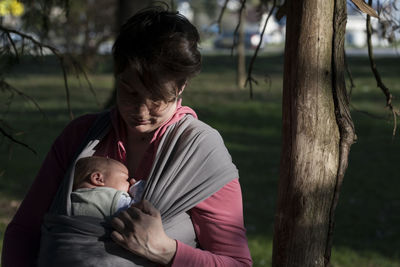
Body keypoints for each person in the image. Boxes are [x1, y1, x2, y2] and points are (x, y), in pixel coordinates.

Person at [2, 5, 253, 267]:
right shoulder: (81, 137)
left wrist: (166, 250)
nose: (141, 111)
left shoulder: (201, 152)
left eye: (157, 98)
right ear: (117, 75)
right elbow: (24, 233)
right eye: (130, 92)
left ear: (181, 86)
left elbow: (237, 262)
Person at [71, 156, 145, 219]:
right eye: (126, 179)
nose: (130, 182)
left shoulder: (71, 199)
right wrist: (138, 187)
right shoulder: (109, 197)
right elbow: (136, 209)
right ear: (98, 179)